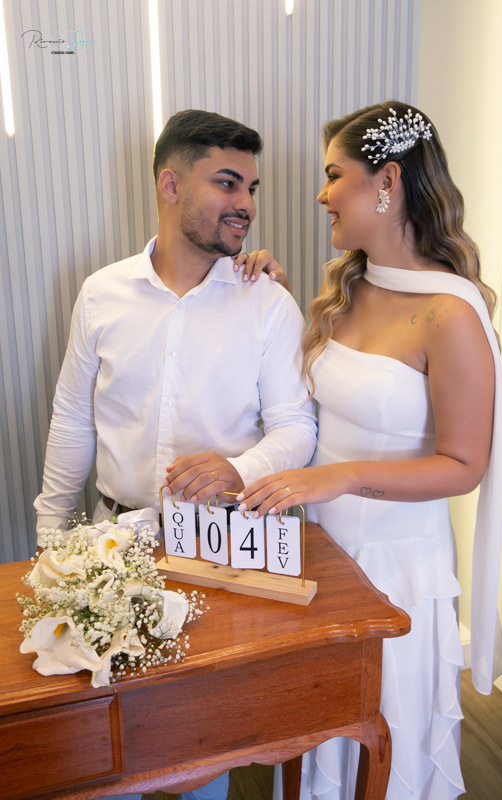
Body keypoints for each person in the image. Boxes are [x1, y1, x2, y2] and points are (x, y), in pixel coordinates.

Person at [34, 109, 317, 800]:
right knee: (110, 748)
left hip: (220, 552)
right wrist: (49, 537)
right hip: (111, 545)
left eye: (251, 187)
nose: (246, 204)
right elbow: (72, 418)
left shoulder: (267, 303)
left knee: (201, 749)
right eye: (227, 183)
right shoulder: (101, 293)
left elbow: (296, 427)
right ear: (170, 184)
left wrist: (238, 468)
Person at [236, 101, 502, 800]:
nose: (321, 193)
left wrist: (338, 478)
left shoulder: (448, 313)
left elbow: (464, 466)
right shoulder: (348, 287)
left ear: (387, 181)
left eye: (334, 175)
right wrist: (271, 297)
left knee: (379, 741)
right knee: (317, 730)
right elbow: (324, 401)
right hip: (326, 552)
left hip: (396, 564)